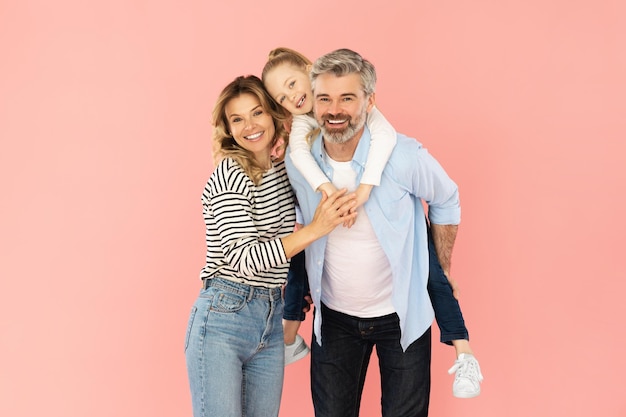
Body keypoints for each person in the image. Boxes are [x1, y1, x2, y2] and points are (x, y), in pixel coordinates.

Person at [266, 48, 483, 398]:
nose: (334, 110)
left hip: (402, 317)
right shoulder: (297, 157)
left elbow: (446, 198)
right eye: (325, 99)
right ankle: (288, 335)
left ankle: (464, 351)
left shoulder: (401, 155)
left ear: (368, 102)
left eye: (347, 98)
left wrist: (440, 267)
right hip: (333, 320)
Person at [184, 75, 357, 417]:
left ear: (272, 114)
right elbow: (246, 259)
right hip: (223, 317)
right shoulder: (230, 174)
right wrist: (315, 229)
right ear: (228, 128)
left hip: (269, 315)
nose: (250, 125)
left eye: (257, 112)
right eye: (237, 119)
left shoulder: (283, 167)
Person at [262, 47, 397, 366]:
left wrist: (364, 191)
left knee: (304, 268)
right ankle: (288, 337)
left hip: (350, 212)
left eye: (293, 84)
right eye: (282, 97)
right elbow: (299, 154)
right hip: (310, 213)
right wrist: (328, 192)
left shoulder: (346, 102)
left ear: (311, 70)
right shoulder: (298, 126)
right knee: (297, 267)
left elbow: (386, 134)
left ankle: (289, 334)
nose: (292, 97)